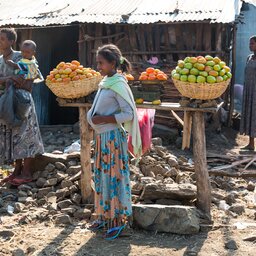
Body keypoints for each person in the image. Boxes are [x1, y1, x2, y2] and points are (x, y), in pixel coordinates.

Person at [87, 44, 141, 240]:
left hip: (112, 140)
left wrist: (105, 119)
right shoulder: (106, 82)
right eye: (98, 63)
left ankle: (117, 220)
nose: (98, 66)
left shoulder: (119, 83)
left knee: (114, 177)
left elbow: (128, 113)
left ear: (112, 63)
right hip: (103, 138)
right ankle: (104, 215)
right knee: (102, 176)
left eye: (101, 63)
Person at [0, 28, 44, 185]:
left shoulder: (22, 56)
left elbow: (32, 76)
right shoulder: (0, 59)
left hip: (22, 101)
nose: (0, 41)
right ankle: (16, 171)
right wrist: (11, 77)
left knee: (26, 135)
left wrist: (9, 79)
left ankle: (26, 173)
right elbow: (13, 78)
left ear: (12, 42)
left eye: (3, 39)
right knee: (13, 135)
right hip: (8, 102)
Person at [240, 35, 256, 150]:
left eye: (252, 43)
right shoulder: (249, 57)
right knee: (250, 115)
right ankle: (251, 144)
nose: (250, 45)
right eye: (249, 43)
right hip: (249, 91)